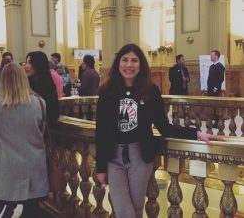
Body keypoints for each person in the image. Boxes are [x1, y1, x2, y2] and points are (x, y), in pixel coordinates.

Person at [96, 43, 224, 218]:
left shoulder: (150, 90)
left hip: (139, 156)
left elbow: (164, 127)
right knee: (123, 210)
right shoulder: (107, 92)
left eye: (134, 60)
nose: (129, 65)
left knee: (136, 207)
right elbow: (101, 131)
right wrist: (100, 167)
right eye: (125, 60)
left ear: (141, 65)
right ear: (118, 63)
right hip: (114, 157)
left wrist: (197, 133)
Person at [0, 63, 49, 218]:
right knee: (31, 211)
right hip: (34, 166)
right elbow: (41, 132)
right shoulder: (39, 102)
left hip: (7, 165)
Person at [25, 51, 59, 127]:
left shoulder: (48, 85)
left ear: (39, 64)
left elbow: (54, 113)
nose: (26, 66)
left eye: (30, 63)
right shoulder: (26, 84)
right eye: (26, 63)